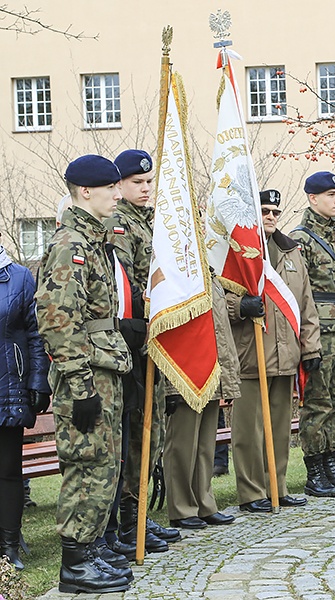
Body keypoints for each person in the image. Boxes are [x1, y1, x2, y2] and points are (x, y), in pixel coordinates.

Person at [35, 154, 134, 593]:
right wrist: (80, 385)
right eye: (111, 187)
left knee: (104, 462)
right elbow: (57, 319)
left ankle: (90, 549)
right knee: (86, 461)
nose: (119, 193)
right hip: (86, 374)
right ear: (86, 191)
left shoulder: (96, 240)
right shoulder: (70, 244)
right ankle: (75, 563)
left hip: (104, 366)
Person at [105, 149, 180, 556]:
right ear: (119, 185)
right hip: (134, 342)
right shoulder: (119, 226)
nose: (146, 188)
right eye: (137, 183)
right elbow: (126, 289)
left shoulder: (153, 223)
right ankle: (125, 520)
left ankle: (138, 515)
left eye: (149, 182)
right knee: (135, 435)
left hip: (154, 339)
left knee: (152, 434)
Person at [228, 189, 321, 511]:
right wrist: (239, 305)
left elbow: (305, 304)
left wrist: (311, 349)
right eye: (264, 211)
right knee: (248, 433)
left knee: (280, 429)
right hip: (250, 353)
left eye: (275, 212)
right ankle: (252, 493)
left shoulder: (290, 251)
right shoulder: (236, 251)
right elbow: (219, 296)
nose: (270, 217)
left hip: (286, 355)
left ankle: (277, 487)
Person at [290, 173, 335, 496]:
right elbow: (298, 295)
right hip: (320, 331)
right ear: (312, 198)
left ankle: (333, 464)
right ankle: (314, 469)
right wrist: (308, 343)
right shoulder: (299, 240)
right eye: (331, 195)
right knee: (317, 403)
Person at [164, 273, 240, 530]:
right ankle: (182, 507)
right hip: (186, 369)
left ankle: (204, 503)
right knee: (183, 444)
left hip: (211, 366)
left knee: (205, 444)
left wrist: (227, 374)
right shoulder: (178, 268)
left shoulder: (209, 274)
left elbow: (221, 327)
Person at [0, 231, 51, 570]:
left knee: (7, 471)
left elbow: (35, 333)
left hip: (8, 387)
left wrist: (37, 380)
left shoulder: (18, 276)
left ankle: (9, 546)